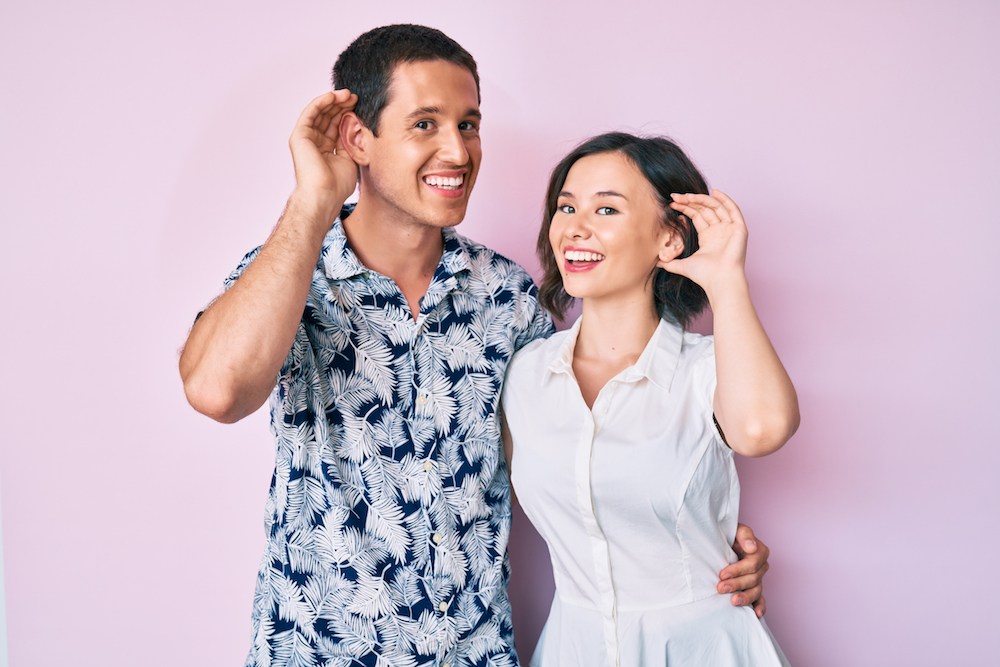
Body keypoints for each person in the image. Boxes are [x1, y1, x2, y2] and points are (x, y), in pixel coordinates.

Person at [179, 25, 773, 667]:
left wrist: (698, 550)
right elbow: (216, 391)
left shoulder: (509, 298)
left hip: (473, 652)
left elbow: (587, 451)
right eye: (425, 124)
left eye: (468, 125)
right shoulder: (291, 273)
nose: (457, 151)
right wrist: (313, 200)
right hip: (316, 650)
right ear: (358, 137)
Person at [501, 132, 799, 666]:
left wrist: (726, 280)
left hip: (703, 648)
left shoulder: (708, 370)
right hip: (575, 648)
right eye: (566, 207)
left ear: (669, 239)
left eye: (606, 209)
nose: (575, 227)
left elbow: (761, 431)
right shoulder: (524, 375)